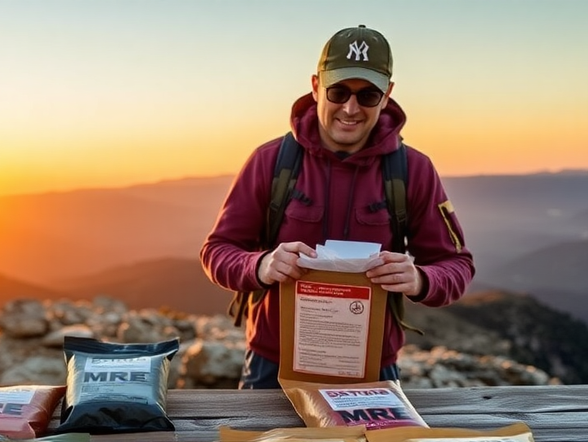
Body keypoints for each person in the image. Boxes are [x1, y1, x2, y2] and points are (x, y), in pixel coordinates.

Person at [200, 24, 474, 388]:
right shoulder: (271, 161)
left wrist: (421, 278)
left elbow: (457, 265)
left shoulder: (413, 170)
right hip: (274, 365)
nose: (350, 108)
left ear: (388, 94)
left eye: (368, 96)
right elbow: (217, 251)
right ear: (316, 86)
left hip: (372, 367)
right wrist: (262, 264)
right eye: (338, 91)